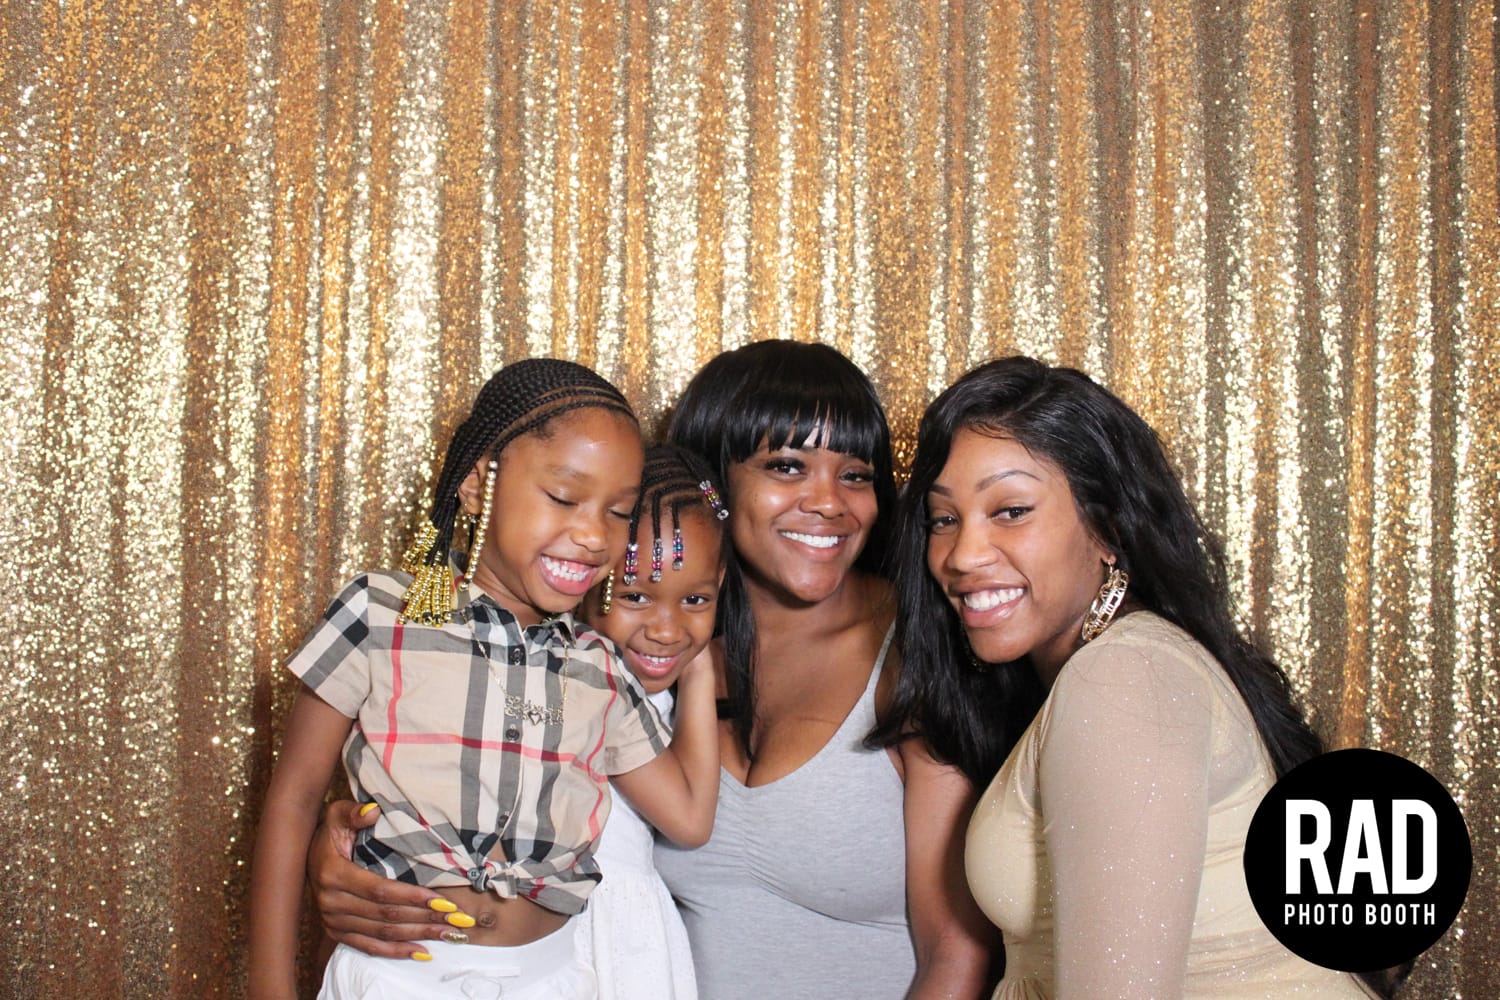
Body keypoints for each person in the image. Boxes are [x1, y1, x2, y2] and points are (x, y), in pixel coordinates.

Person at [888, 355, 1381, 998]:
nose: (962, 555)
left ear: (1107, 529)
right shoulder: (1118, 666)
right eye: (944, 519)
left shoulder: (1123, 679)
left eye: (1010, 510)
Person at [248, 359, 719, 1000]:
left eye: (618, 512)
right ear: (476, 485)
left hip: (555, 980)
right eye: (564, 498)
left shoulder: (598, 667)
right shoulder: (381, 614)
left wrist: (700, 665)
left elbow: (688, 817)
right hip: (399, 981)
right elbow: (294, 802)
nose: (592, 535)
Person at [652, 340, 997, 999]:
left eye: (856, 475)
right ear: (714, 485)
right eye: (787, 466)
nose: (830, 502)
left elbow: (958, 956)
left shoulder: (916, 652)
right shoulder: (660, 646)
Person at [572, 445, 733, 1000]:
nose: (666, 629)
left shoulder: (648, 689)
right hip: (588, 934)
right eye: (635, 595)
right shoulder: (590, 681)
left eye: (696, 599)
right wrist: (702, 671)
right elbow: (690, 820)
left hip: (630, 937)